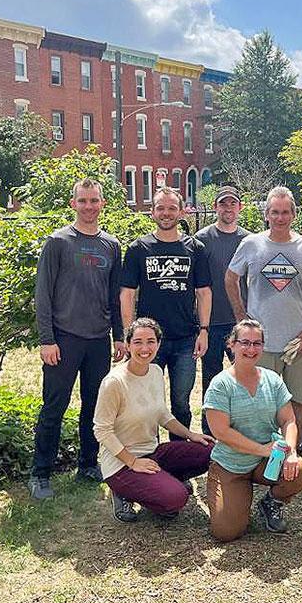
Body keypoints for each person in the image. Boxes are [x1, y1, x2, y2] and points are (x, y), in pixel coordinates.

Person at [29, 178, 126, 500]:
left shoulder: (111, 245)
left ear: (102, 204)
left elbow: (115, 297)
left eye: (94, 200)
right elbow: (42, 295)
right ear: (73, 204)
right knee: (54, 407)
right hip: (64, 340)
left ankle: (87, 464)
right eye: (83, 201)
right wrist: (47, 339)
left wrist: (119, 337)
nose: (89, 206)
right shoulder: (58, 242)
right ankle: (40, 473)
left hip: (98, 340)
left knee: (94, 408)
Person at [225, 185, 302, 447]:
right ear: (266, 214)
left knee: (299, 400)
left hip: (298, 342)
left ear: (294, 214)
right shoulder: (251, 244)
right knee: (263, 402)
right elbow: (231, 278)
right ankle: (264, 455)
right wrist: (241, 317)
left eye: (285, 212)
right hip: (261, 342)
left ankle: (293, 455)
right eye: (275, 212)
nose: (280, 218)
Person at [95, 318, 215, 522]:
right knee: (176, 499)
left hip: (152, 453)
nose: (145, 348)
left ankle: (160, 481)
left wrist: (191, 434)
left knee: (210, 450)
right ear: (128, 344)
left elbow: (162, 414)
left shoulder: (156, 371)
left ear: (158, 344)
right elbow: (102, 430)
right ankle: (123, 491)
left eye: (151, 341)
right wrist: (133, 462)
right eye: (138, 342)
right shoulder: (114, 382)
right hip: (121, 464)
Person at [204, 319, 302, 541]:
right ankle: (231, 492)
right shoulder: (220, 385)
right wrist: (262, 450)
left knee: (300, 472)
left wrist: (290, 452)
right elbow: (221, 432)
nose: (251, 349)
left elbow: (288, 420)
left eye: (257, 343)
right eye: (245, 342)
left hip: (267, 461)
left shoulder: (272, 380)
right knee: (226, 532)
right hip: (231, 464)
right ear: (231, 345)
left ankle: (272, 501)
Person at [121, 186, 212, 437]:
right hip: (148, 343)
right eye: (160, 208)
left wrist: (203, 331)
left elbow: (204, 292)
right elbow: (127, 294)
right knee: (148, 401)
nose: (166, 213)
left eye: (172, 208)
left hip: (185, 339)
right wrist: (130, 337)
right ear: (152, 212)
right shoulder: (139, 249)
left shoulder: (195, 248)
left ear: (182, 212)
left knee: (181, 403)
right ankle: (150, 453)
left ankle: (178, 456)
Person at [195, 186, 250, 435]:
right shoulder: (201, 239)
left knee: (245, 377)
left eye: (232, 204)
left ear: (240, 207)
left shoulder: (250, 240)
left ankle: (241, 429)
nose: (228, 208)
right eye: (223, 204)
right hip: (212, 321)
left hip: (241, 322)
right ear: (215, 207)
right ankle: (210, 432)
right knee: (211, 380)